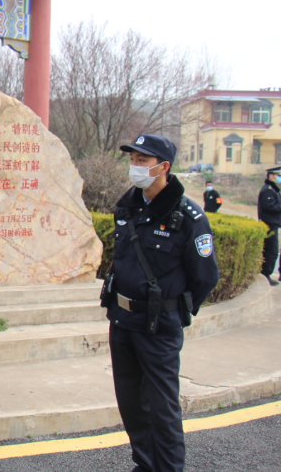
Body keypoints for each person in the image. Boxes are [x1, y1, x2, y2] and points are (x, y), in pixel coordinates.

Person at [104, 134, 219, 472]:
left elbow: (205, 277)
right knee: (130, 404)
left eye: (143, 161)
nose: (135, 166)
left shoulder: (189, 217)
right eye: (133, 160)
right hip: (122, 321)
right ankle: (146, 464)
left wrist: (172, 309)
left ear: (163, 166)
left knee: (162, 407)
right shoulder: (127, 207)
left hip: (158, 327)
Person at [258, 167, 281, 286]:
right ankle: (266, 275)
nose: (279, 178)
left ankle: (266, 274)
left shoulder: (273, 189)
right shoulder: (268, 190)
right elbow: (269, 207)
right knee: (272, 251)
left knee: (270, 251)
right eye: (278, 175)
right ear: (271, 176)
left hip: (272, 224)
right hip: (269, 225)